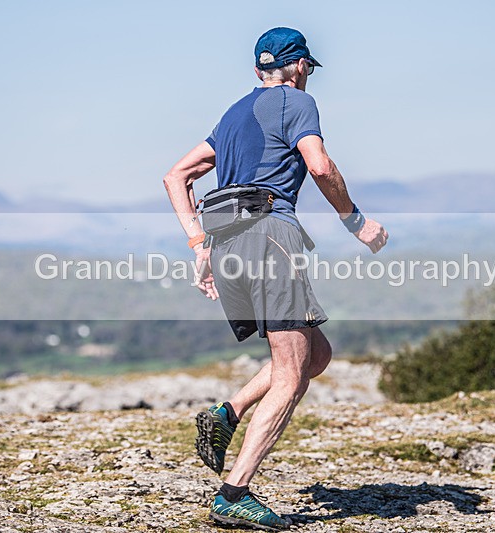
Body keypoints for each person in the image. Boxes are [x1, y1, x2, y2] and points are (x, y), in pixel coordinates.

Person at [163, 27, 388, 530]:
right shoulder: (296, 101)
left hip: (227, 243)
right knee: (290, 374)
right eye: (308, 68)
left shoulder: (234, 114)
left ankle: (227, 413)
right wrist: (356, 221)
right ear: (300, 65)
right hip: (269, 236)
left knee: (315, 354)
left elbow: (175, 176)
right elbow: (320, 166)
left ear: (258, 70)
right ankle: (233, 493)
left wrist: (199, 244)